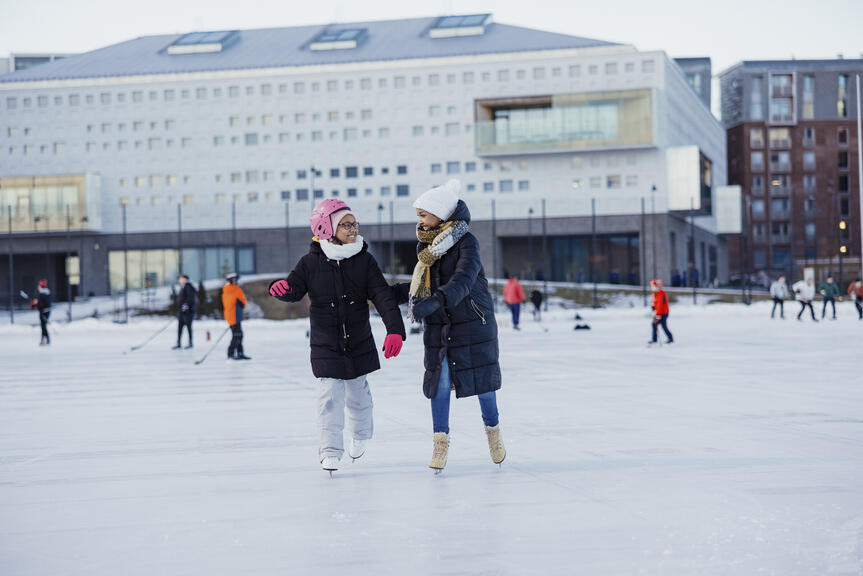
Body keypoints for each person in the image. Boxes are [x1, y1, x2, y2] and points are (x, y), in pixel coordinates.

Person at [268, 199, 405, 474]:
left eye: (354, 224)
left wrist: (395, 330)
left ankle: (361, 434)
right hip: (326, 342)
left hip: (358, 340)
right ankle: (330, 450)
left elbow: (382, 296)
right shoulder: (310, 263)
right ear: (326, 228)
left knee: (359, 396)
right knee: (329, 397)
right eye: (346, 225)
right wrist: (280, 288)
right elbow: (294, 289)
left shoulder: (364, 260)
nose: (353, 229)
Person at [393, 179, 505, 473]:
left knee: (484, 386)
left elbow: (464, 279)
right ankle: (440, 443)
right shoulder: (427, 246)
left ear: (440, 214)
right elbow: (423, 284)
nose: (419, 220)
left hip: (473, 323)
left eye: (423, 214)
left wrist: (437, 300)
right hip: (440, 325)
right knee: (439, 384)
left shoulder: (467, 241)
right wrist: (393, 293)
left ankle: (493, 432)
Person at [222, 273, 251, 359]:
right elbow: (230, 304)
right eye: (234, 280)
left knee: (239, 335)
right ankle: (230, 354)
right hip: (233, 316)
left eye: (236, 280)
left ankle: (239, 353)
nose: (235, 281)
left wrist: (241, 303)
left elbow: (242, 302)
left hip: (236, 316)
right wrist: (239, 302)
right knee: (236, 335)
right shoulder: (230, 290)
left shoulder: (235, 289)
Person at [173, 274, 197, 349]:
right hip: (181, 312)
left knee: (188, 327)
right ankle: (178, 343)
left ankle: (190, 343)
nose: (180, 280)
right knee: (180, 328)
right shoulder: (182, 287)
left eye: (181, 279)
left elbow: (191, 298)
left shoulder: (189, 286)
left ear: (185, 279)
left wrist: (186, 305)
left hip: (188, 312)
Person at [649, 279, 673, 345]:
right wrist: (653, 307)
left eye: (654, 286)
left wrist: (658, 315)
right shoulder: (656, 294)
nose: (652, 288)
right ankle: (669, 338)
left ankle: (656, 339)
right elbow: (656, 303)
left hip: (662, 313)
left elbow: (660, 305)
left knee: (658, 325)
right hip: (660, 313)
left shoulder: (661, 294)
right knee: (656, 325)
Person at [30, 279, 52, 346]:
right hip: (46, 311)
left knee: (43, 326)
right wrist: (35, 303)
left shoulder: (42, 294)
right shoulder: (46, 293)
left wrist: (35, 304)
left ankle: (45, 339)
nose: (38, 287)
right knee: (43, 326)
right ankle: (45, 339)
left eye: (39, 286)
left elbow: (41, 304)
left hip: (43, 312)